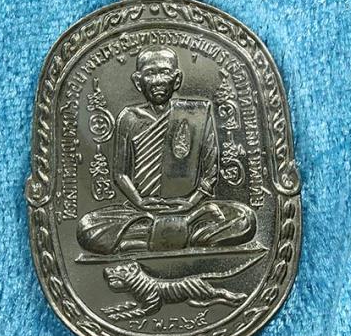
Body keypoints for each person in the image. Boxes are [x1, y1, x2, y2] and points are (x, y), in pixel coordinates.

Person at [76, 46, 256, 254]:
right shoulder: (129, 118)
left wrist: (191, 202)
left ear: (177, 79)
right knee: (88, 228)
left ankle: (144, 242)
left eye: (164, 72)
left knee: (244, 220)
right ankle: (184, 234)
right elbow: (120, 174)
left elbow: (210, 172)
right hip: (143, 212)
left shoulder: (195, 113)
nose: (158, 81)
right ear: (138, 81)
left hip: (189, 208)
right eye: (150, 73)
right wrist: (140, 202)